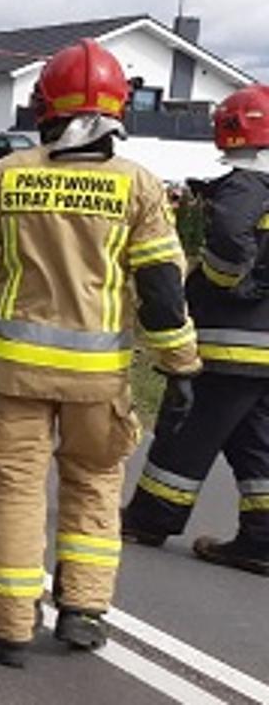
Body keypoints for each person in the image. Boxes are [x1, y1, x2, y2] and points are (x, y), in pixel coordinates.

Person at [0, 39, 199, 667]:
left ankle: (9, 626)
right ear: (119, 110)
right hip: (99, 383)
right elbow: (162, 290)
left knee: (16, 490)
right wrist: (180, 365)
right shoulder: (137, 185)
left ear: (43, 108)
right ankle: (82, 610)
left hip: (18, 375)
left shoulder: (5, 175)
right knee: (94, 486)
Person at [122, 84, 269, 576]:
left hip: (231, 345)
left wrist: (223, 280)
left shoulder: (245, 186)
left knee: (188, 429)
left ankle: (149, 518)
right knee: (256, 441)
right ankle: (261, 539)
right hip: (264, 351)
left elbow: (229, 238)